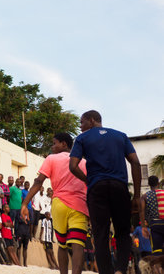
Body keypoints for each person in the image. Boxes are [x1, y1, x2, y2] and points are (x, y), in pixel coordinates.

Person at [69, 110, 142, 274]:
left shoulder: (82, 139)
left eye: (82, 122)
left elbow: (73, 166)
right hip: (119, 187)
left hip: (97, 189)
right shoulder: (121, 136)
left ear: (92, 120)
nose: (80, 127)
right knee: (123, 231)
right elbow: (136, 163)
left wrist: (89, 180)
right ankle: (121, 270)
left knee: (100, 234)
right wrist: (136, 196)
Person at [22, 132, 89, 274]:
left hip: (59, 205)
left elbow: (39, 181)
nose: (52, 147)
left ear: (64, 144)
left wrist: (25, 204)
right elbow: (91, 186)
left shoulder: (52, 159)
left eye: (54, 143)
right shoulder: (84, 162)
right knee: (78, 245)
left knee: (62, 246)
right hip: (80, 206)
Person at [140, 175, 164, 255]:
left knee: (157, 251)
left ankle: (158, 267)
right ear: (158, 183)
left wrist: (143, 227)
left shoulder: (145, 196)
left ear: (149, 184)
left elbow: (141, 211)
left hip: (154, 225)